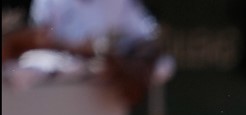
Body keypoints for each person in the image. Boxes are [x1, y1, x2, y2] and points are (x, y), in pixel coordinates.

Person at [2, 0, 173, 104]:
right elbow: (38, 39)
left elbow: (150, 37)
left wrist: (123, 59)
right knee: (30, 68)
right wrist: (85, 49)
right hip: (60, 74)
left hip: (108, 87)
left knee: (164, 66)